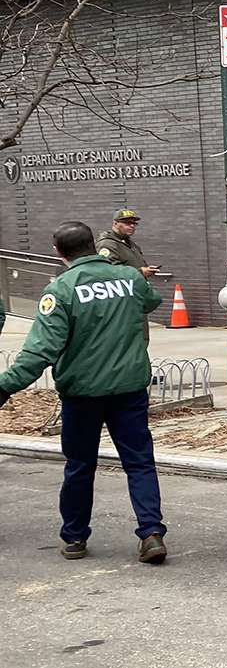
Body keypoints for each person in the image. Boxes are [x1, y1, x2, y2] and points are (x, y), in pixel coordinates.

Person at [0, 222, 168, 564]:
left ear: (58, 252)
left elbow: (40, 352)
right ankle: (151, 533)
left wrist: (5, 386)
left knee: (80, 465)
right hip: (130, 387)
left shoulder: (60, 291)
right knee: (139, 462)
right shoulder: (131, 279)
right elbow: (152, 300)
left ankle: (75, 537)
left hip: (83, 393)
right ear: (93, 245)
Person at [96, 209, 158, 340]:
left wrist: (146, 269)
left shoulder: (131, 244)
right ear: (115, 223)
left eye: (134, 223)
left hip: (135, 296)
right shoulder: (107, 244)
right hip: (121, 300)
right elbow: (108, 271)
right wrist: (140, 272)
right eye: (127, 223)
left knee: (141, 338)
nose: (132, 226)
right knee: (129, 339)